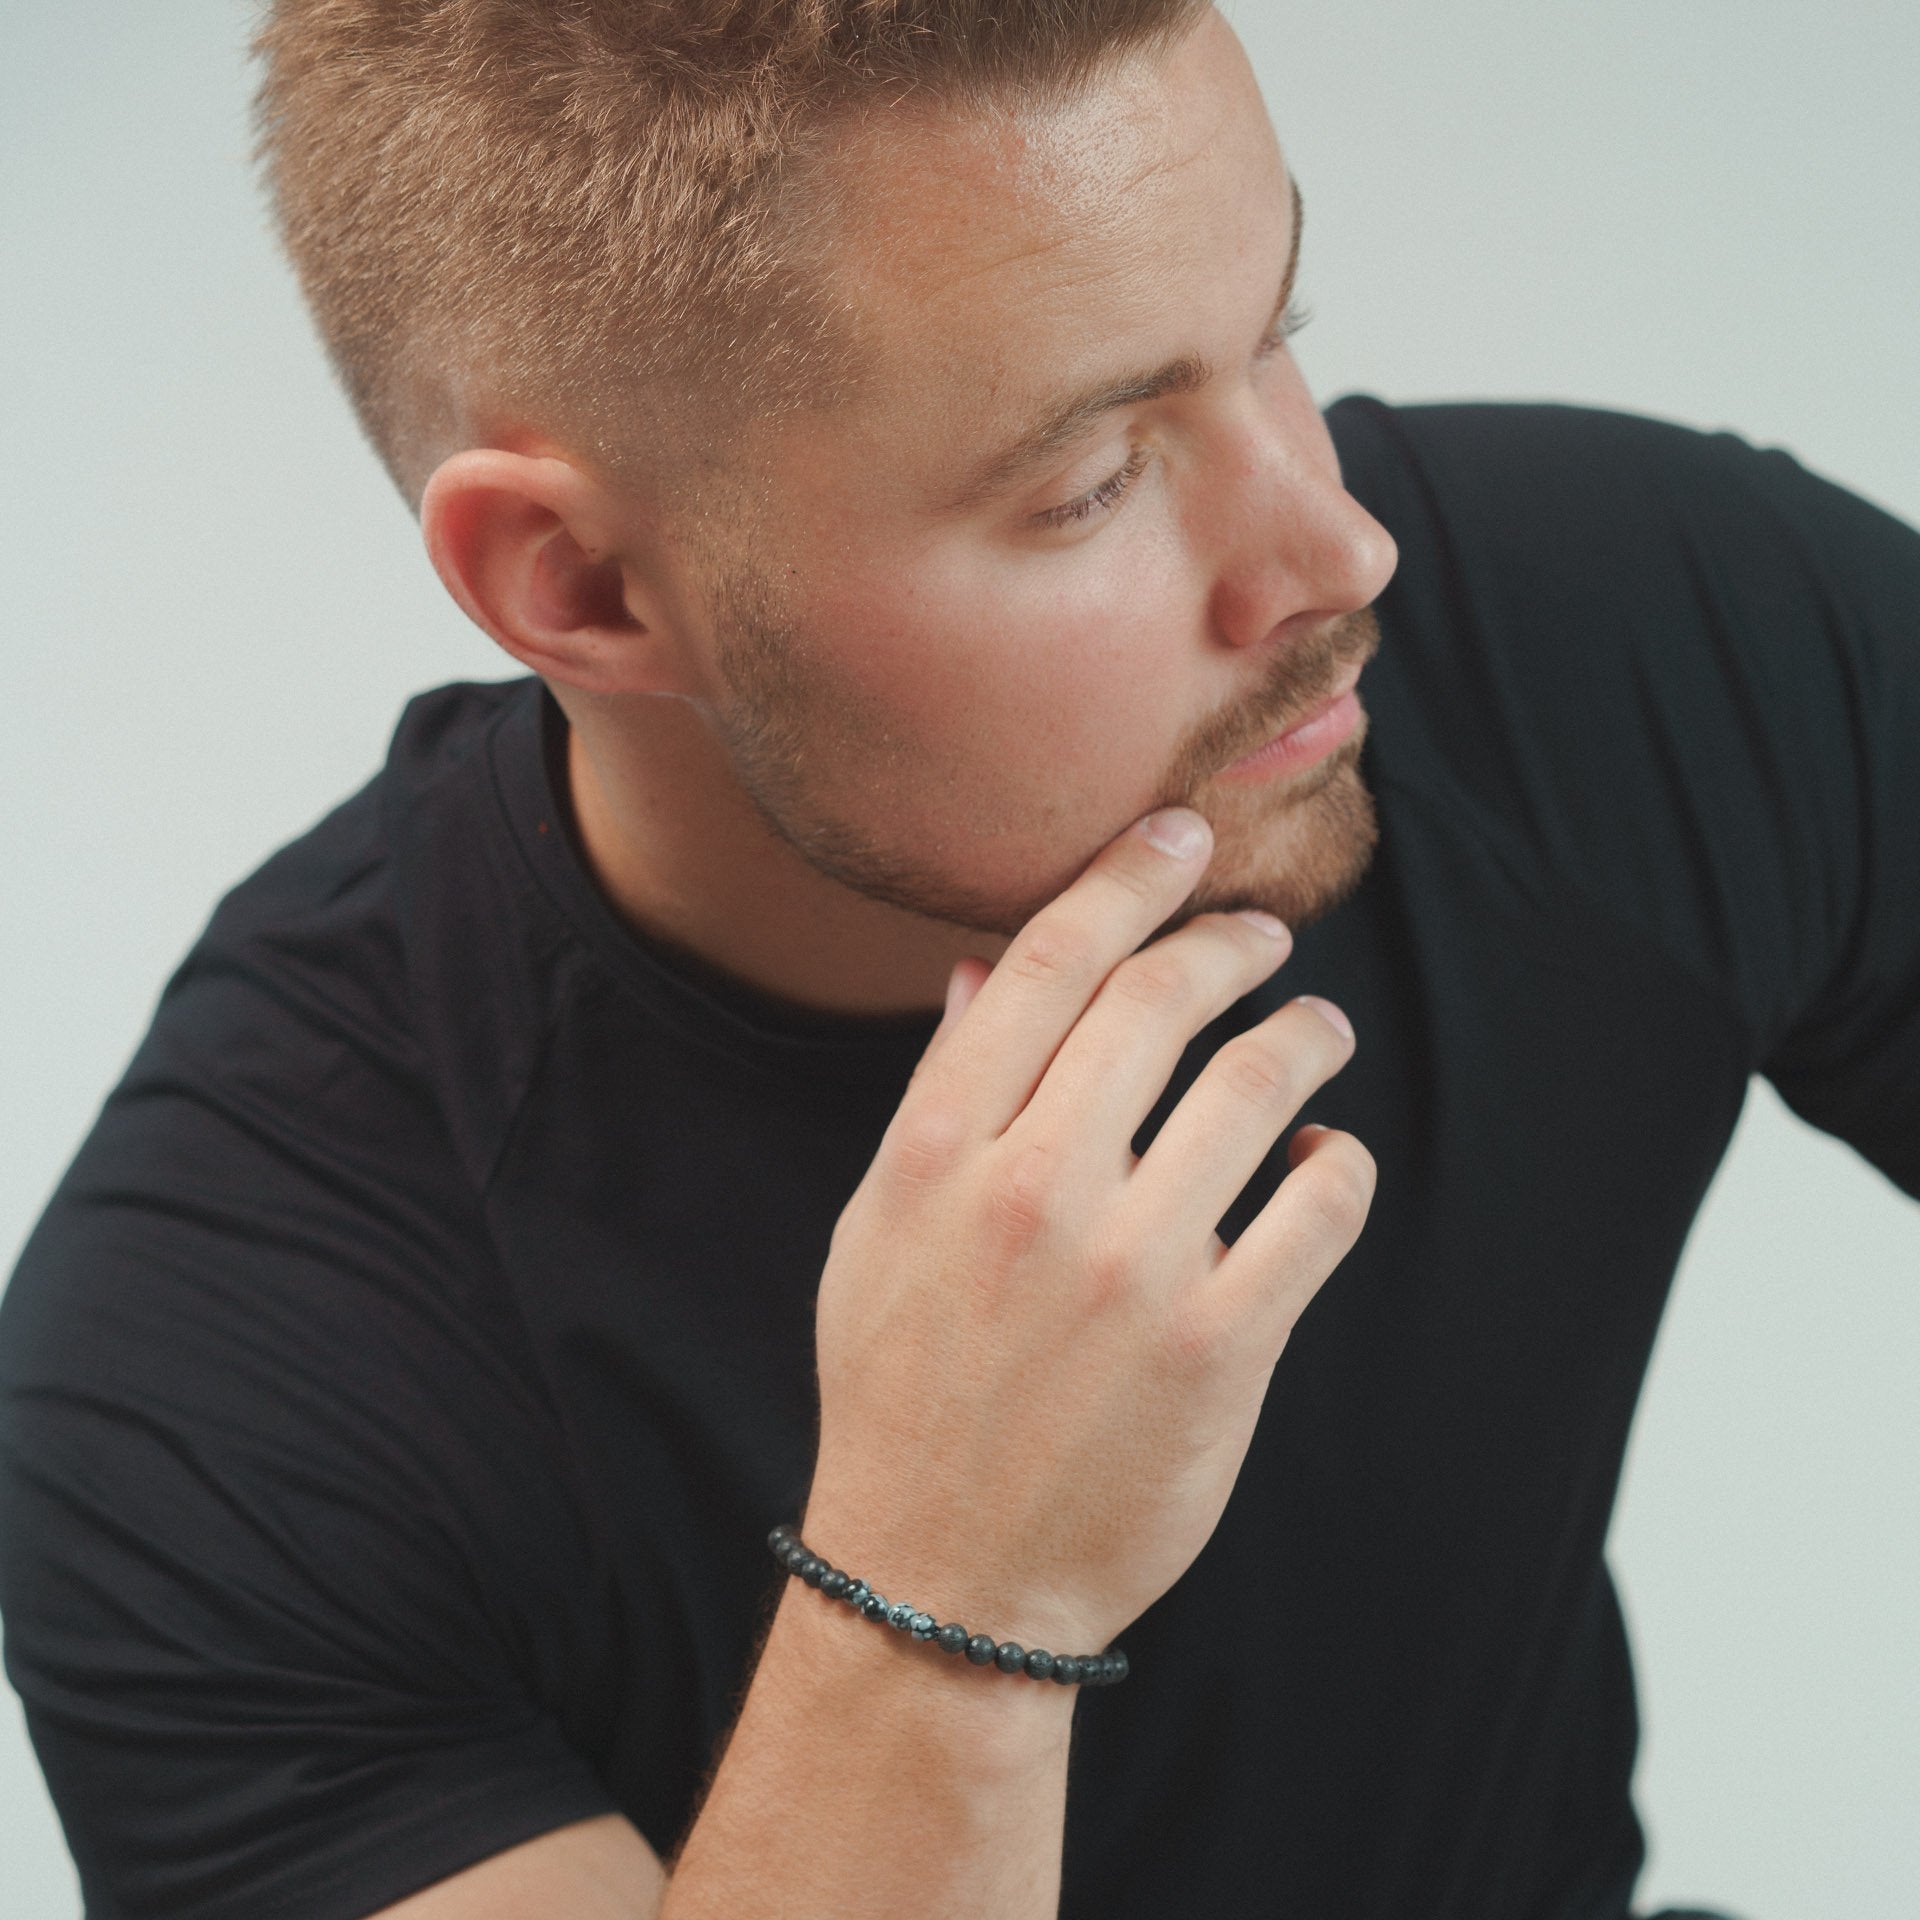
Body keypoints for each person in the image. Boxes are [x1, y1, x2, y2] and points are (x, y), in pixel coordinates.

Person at [1, 1, 1914, 1916]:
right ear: (578, 585)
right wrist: (945, 1602)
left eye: (1278, 341)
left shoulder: (1647, 642)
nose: (1336, 557)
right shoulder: (222, 1382)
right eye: (1092, 480)